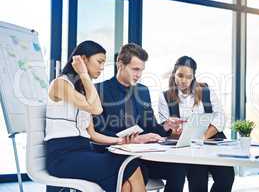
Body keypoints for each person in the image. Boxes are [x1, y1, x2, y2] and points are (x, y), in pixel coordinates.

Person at [45, 40, 145, 192]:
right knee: (129, 164)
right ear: (83, 59)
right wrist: (84, 74)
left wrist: (121, 140)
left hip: (84, 150)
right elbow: (97, 109)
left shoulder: (85, 91)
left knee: (125, 184)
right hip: (62, 156)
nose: (102, 67)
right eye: (99, 62)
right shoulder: (60, 84)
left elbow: (91, 134)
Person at [93, 43, 186, 192]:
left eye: (141, 70)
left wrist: (166, 126)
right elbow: (96, 131)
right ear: (120, 65)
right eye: (135, 69)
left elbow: (150, 127)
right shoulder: (99, 90)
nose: (138, 74)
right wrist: (127, 139)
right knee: (136, 173)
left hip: (144, 154)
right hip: (118, 155)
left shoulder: (143, 91)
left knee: (178, 168)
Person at [158, 56, 235, 192]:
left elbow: (220, 116)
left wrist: (204, 136)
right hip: (188, 147)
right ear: (174, 74)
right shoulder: (165, 96)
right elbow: (164, 124)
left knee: (227, 176)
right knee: (198, 178)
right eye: (180, 75)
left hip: (211, 140)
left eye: (188, 77)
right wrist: (173, 130)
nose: (184, 81)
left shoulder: (206, 90)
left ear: (193, 77)